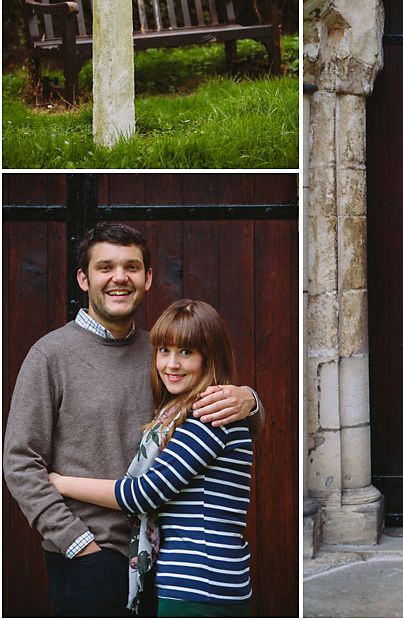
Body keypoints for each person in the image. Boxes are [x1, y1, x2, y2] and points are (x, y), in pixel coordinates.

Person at [3, 222, 262, 617]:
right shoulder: (50, 355)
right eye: (105, 267)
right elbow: (20, 462)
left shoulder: (161, 353)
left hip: (163, 557)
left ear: (148, 278)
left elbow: (218, 425)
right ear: (83, 279)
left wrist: (250, 400)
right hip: (92, 555)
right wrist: (76, 541)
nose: (119, 278)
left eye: (131, 267)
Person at [48, 299, 255, 617]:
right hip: (200, 581)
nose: (171, 364)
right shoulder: (182, 413)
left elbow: (143, 494)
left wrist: (60, 482)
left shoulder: (208, 416)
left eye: (186, 352)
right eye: (164, 351)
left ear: (209, 357)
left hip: (202, 583)